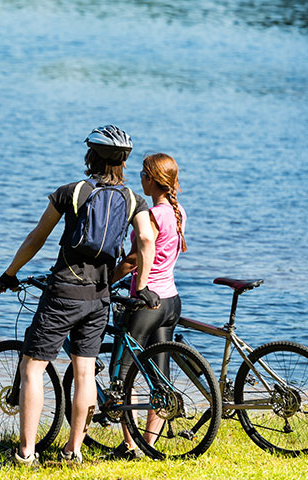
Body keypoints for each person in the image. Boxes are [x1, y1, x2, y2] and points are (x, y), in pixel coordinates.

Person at [0, 125, 159, 466]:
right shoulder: (133, 200)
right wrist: (141, 285)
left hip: (63, 292)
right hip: (100, 296)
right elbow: (145, 240)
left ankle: (26, 454)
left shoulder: (72, 192)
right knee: (84, 372)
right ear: (124, 161)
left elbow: (37, 236)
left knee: (33, 367)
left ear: (91, 156)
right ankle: (74, 451)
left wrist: (10, 273)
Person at [108, 152, 188, 460]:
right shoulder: (179, 211)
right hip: (170, 301)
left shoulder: (153, 215)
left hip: (146, 302)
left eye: (143, 173)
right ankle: (149, 445)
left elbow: (133, 260)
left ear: (152, 179)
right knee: (160, 379)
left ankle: (131, 446)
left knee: (124, 376)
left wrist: (104, 281)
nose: (139, 178)